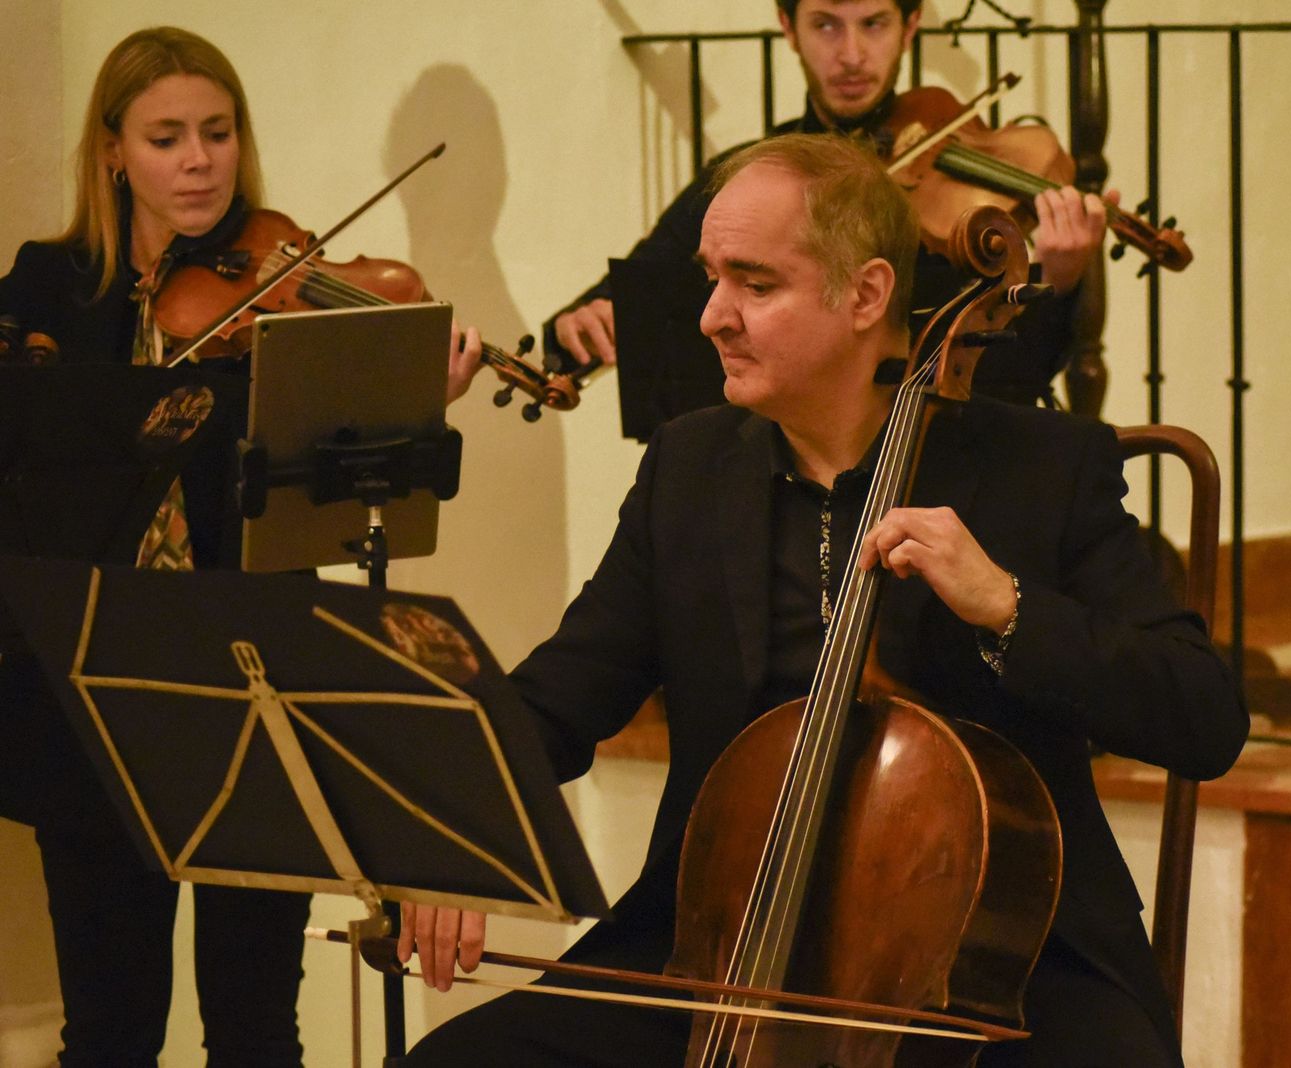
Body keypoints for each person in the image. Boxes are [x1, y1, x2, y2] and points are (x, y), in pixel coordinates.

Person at [399, 133, 1245, 1066]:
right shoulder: (690, 466)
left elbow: (1202, 715)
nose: (714, 315)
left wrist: (1008, 608)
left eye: (756, 285)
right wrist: (459, 833)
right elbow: (564, 692)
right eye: (713, 278)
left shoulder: (1043, 468)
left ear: (868, 295)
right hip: (722, 948)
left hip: (1001, 966)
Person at [0, 26, 481, 1065]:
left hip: (253, 673)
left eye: (216, 132)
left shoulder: (285, 281)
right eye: (166, 136)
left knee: (257, 1025)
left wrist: (405, 385)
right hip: (95, 686)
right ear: (113, 151)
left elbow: (355, 486)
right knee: (109, 1028)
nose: (199, 159)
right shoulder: (48, 285)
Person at [547, 0, 1116, 410]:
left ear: (910, 24)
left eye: (874, 24)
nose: (851, 55)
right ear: (787, 26)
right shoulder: (757, 176)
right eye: (825, 25)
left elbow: (1014, 377)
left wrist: (1059, 281)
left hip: (940, 458)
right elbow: (645, 280)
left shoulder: (963, 188)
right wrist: (585, 318)